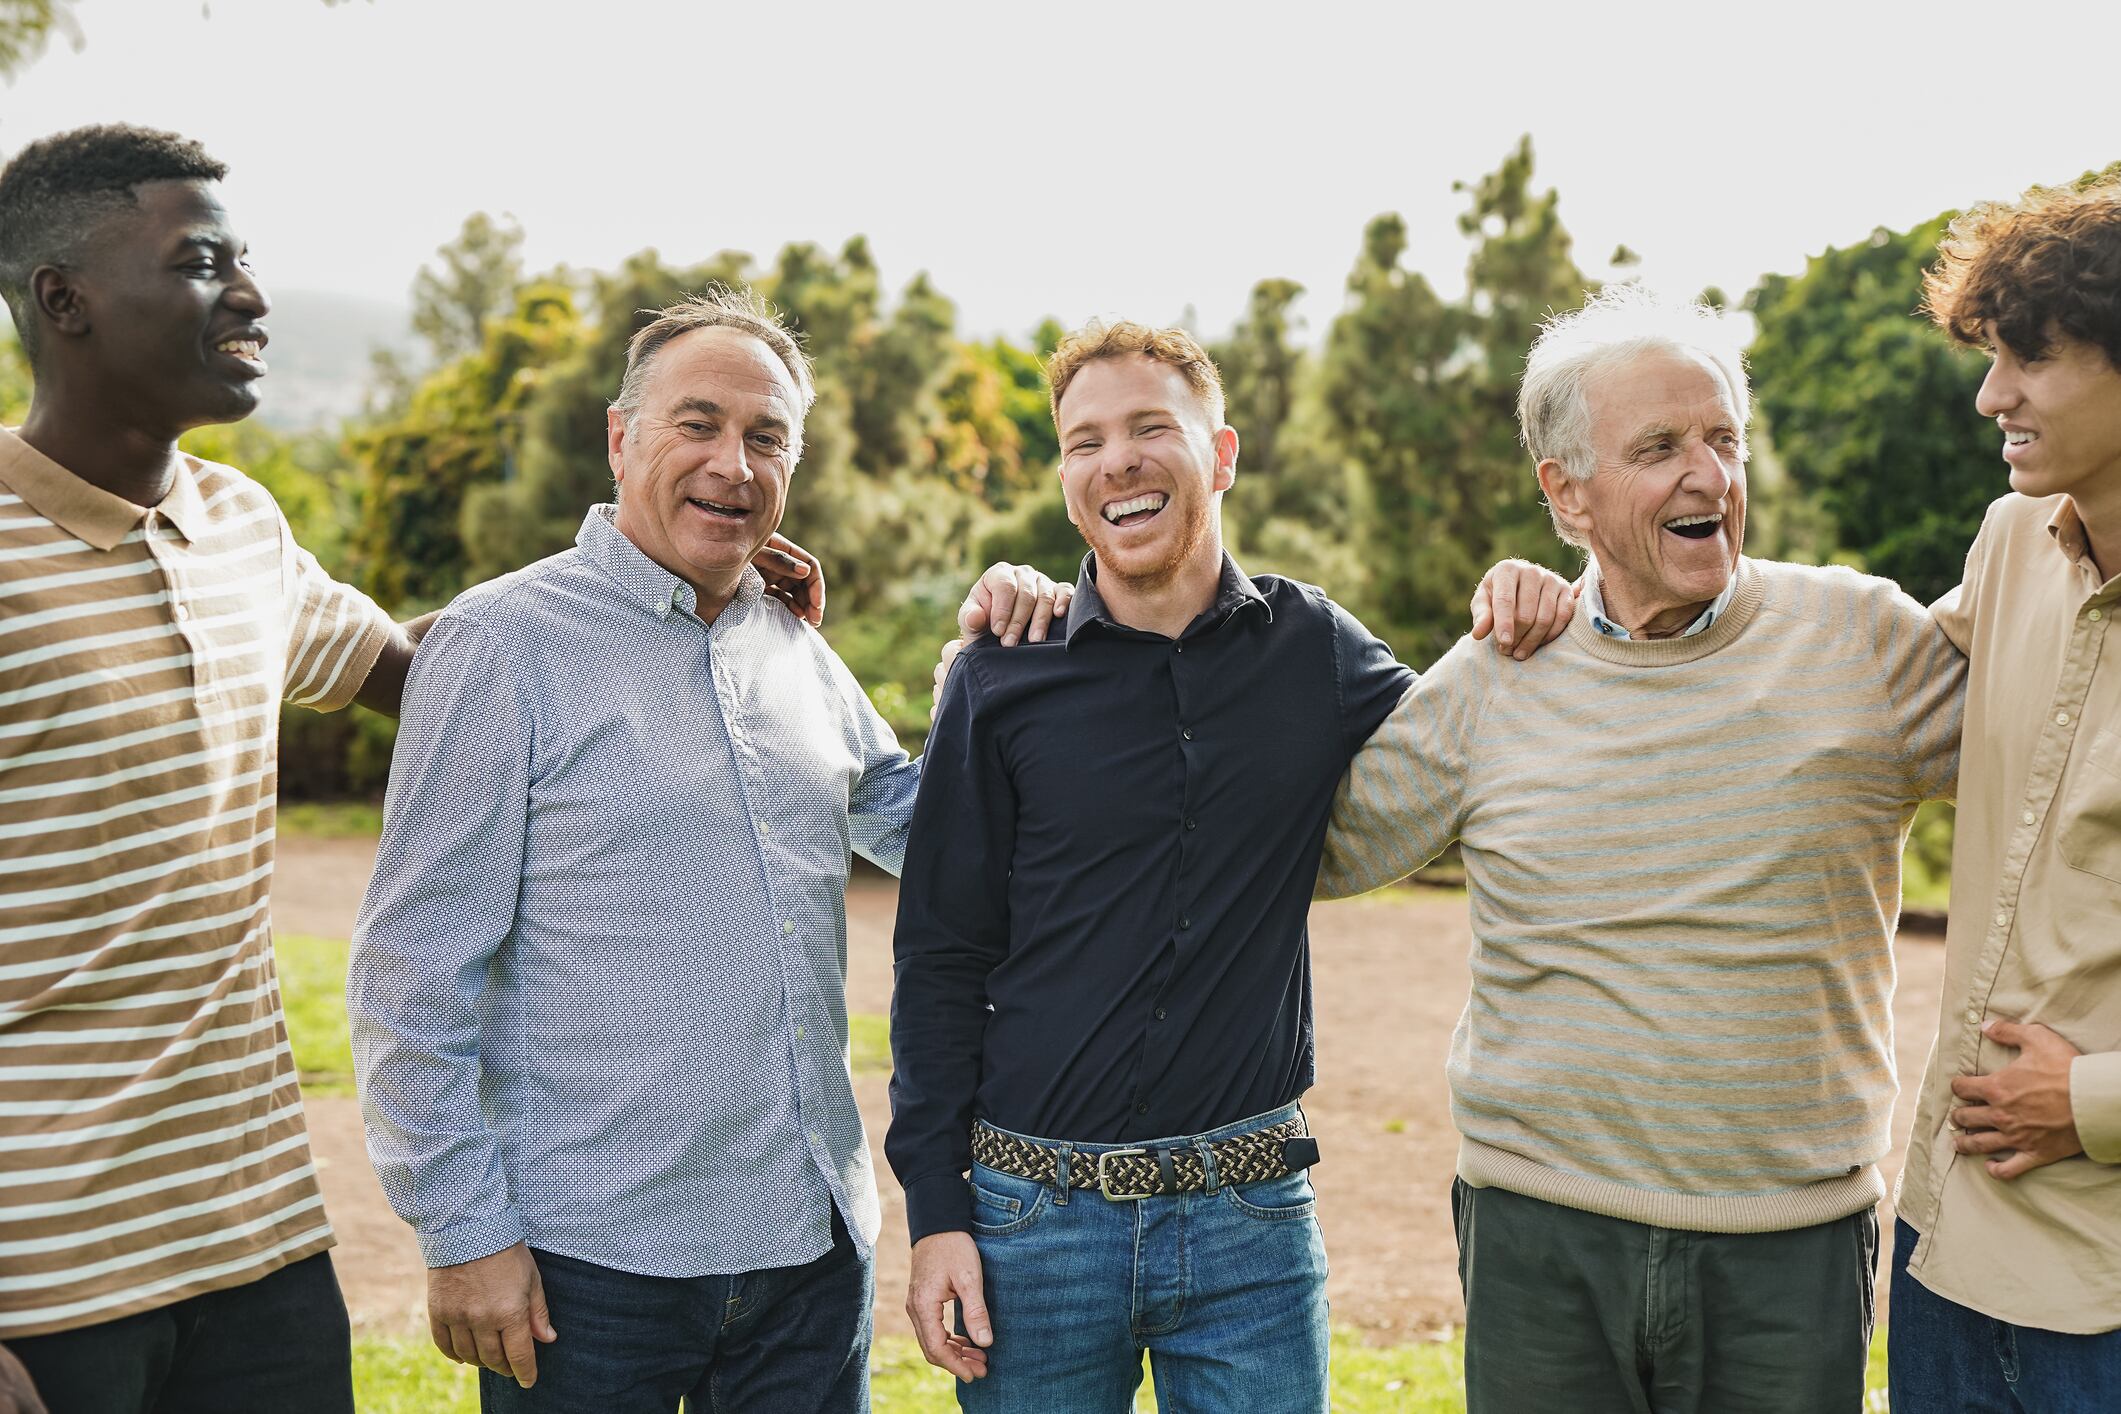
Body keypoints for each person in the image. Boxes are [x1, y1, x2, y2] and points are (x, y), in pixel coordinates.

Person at [0, 125, 828, 1413]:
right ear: (66, 299)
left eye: (248, 259)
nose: (253, 295)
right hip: (44, 1276)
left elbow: (453, 663)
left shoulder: (239, 530)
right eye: (202, 261)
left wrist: (687, 568)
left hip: (261, 1249)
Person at [346, 286, 1066, 1412]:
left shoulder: (794, 644)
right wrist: (462, 1229)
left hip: (810, 1248)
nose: (734, 462)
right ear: (620, 436)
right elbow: (410, 970)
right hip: (591, 1269)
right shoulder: (500, 646)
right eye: (699, 423)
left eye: (766, 436)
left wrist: (1006, 663)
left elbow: (924, 828)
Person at [1322, 286, 1965, 1413]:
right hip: (1541, 1232)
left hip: (1789, 1241)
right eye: (1660, 447)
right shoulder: (1496, 675)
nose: (1708, 475)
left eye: (1723, 439)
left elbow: (2059, 758)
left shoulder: (1862, 640)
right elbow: (1303, 844)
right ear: (1565, 496)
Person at [887, 321, 1418, 1412]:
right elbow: (940, 956)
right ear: (1068, 482)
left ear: (1220, 455)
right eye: (1083, 442)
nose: (1115, 461)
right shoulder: (998, 678)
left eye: (1147, 429)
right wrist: (939, 1212)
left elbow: (1467, 743)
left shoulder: (1313, 647)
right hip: (1033, 1225)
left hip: (1252, 1226)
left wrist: (1527, 597)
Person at [1887, 175, 2121, 1408]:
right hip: (1944, 1246)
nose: (1993, 395)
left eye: (2032, 356)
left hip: (2107, 1285)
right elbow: (1848, 699)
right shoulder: (2008, 542)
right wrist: (1588, 593)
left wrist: (2088, 1099)